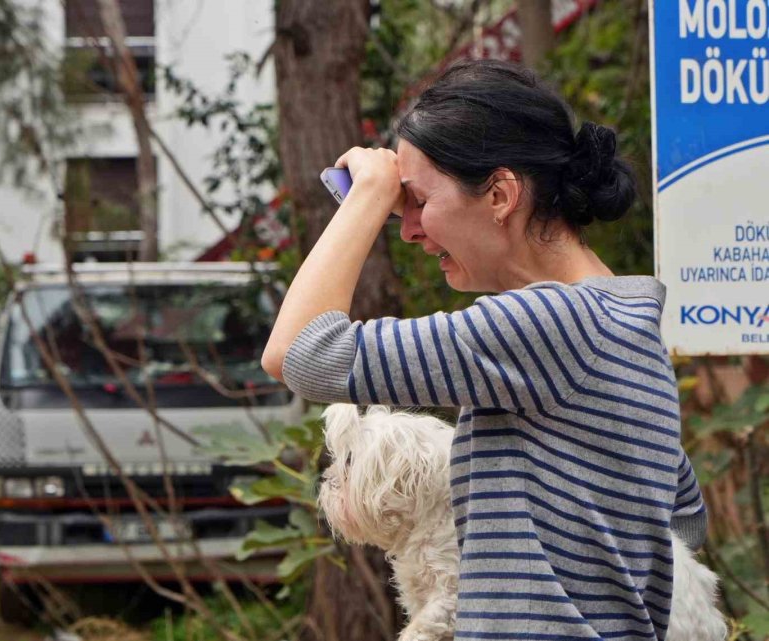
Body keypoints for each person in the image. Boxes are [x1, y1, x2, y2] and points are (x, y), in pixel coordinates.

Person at [262, 59, 706, 640]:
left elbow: (298, 352)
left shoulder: (551, 323)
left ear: (500, 194)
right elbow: (684, 519)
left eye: (417, 201)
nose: (409, 229)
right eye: (398, 206)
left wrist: (365, 196)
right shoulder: (627, 326)